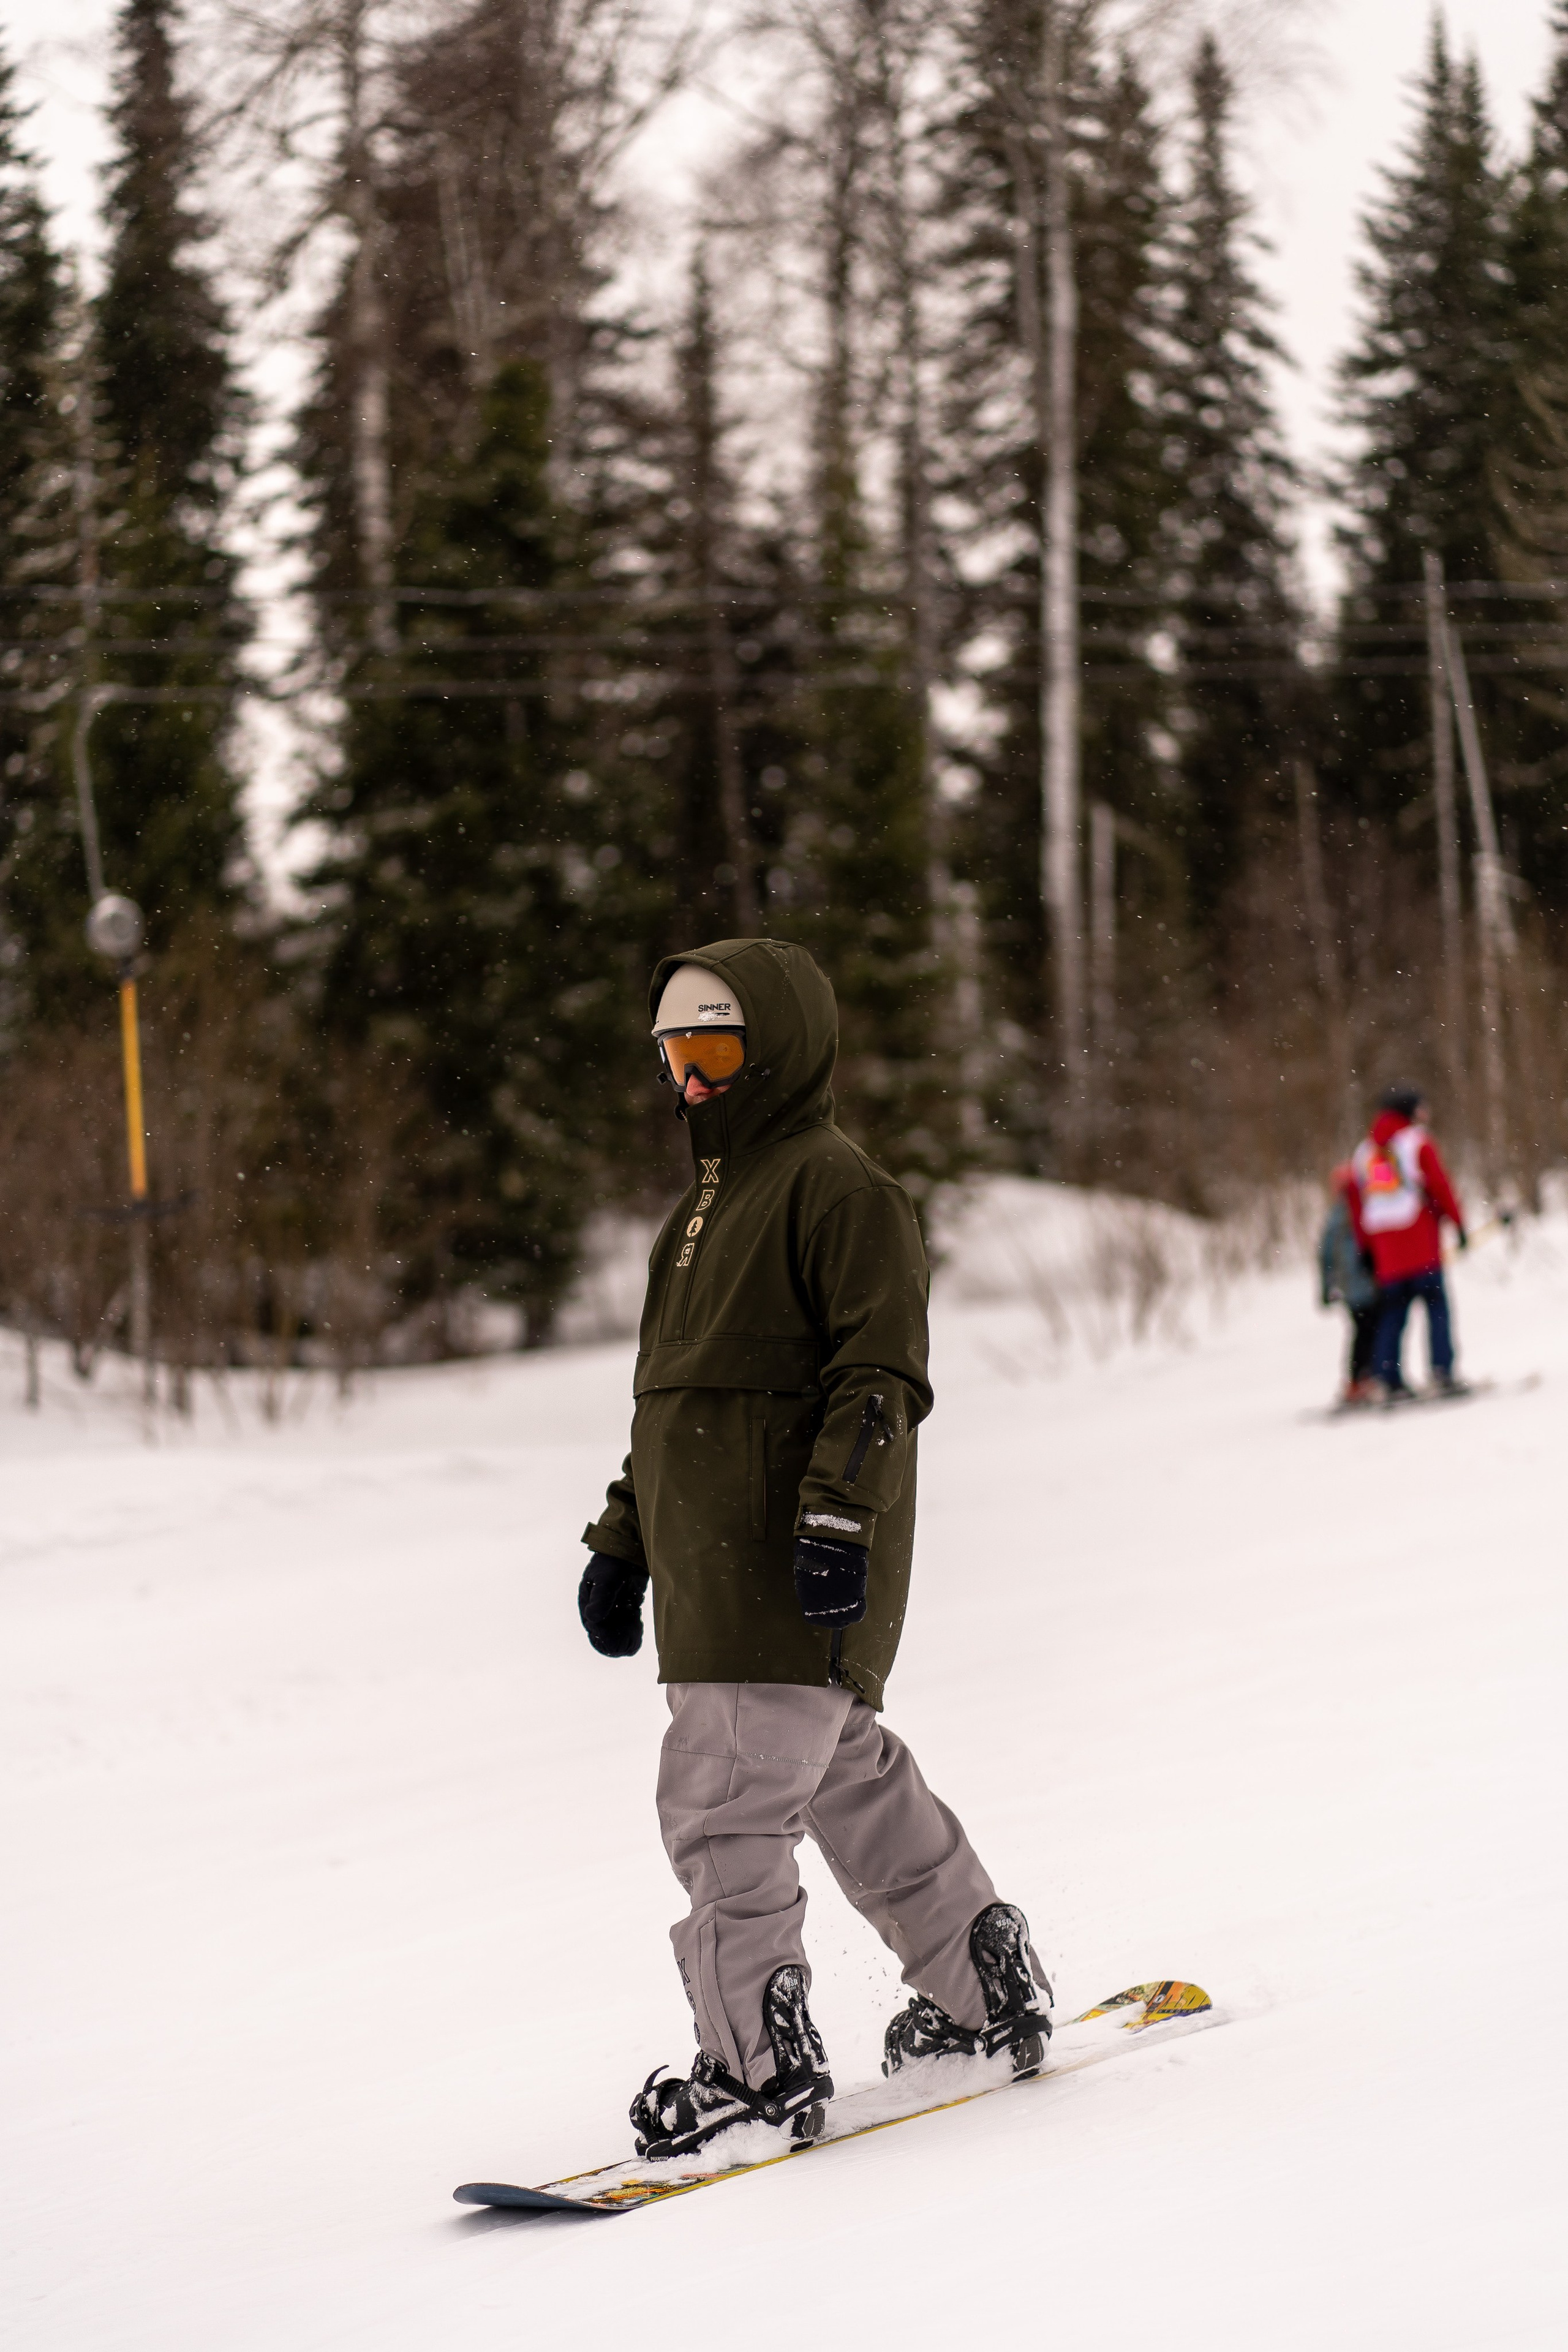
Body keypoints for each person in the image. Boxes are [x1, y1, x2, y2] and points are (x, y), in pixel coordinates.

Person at [578, 939, 1051, 2162]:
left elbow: (877, 1378)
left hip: (780, 1565)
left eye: (714, 1049)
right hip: (711, 1573)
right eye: (672, 1052)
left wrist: (837, 1518)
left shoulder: (840, 1193)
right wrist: (624, 1544)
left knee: (722, 1806)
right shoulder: (694, 1213)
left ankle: (752, 2062)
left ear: (775, 1049)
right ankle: (975, 1979)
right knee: (842, 1776)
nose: (688, 1077)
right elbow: (672, 1406)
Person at [1348, 1087, 1468, 1400]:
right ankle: (1442, 1371)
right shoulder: (1417, 1143)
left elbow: (1359, 1205)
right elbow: (1439, 1185)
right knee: (1436, 1308)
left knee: (1392, 1315)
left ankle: (1389, 1378)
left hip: (1386, 1253)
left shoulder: (1364, 1152)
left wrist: (1365, 1249)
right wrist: (1458, 1222)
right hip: (1421, 1243)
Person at [1318, 1162, 1381, 1406]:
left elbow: (1325, 1258)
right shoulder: (1356, 1213)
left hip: (1352, 1287)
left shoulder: (1336, 1217)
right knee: (1367, 1331)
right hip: (1362, 1286)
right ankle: (1361, 1380)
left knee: (1363, 1331)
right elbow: (1328, 1257)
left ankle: (1362, 1379)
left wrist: (1327, 1288)